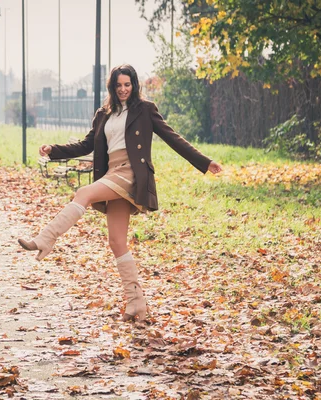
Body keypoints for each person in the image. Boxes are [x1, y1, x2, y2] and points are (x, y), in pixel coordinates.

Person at [18, 64, 222, 321]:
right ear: (112, 88)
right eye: (119, 85)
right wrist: (54, 150)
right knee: (116, 242)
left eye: (128, 84)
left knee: (83, 193)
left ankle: (46, 238)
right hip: (112, 173)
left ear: (134, 85)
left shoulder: (145, 110)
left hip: (131, 174)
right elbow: (86, 144)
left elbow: (173, 138)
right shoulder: (104, 114)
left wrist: (204, 162)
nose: (124, 89)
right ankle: (137, 304)